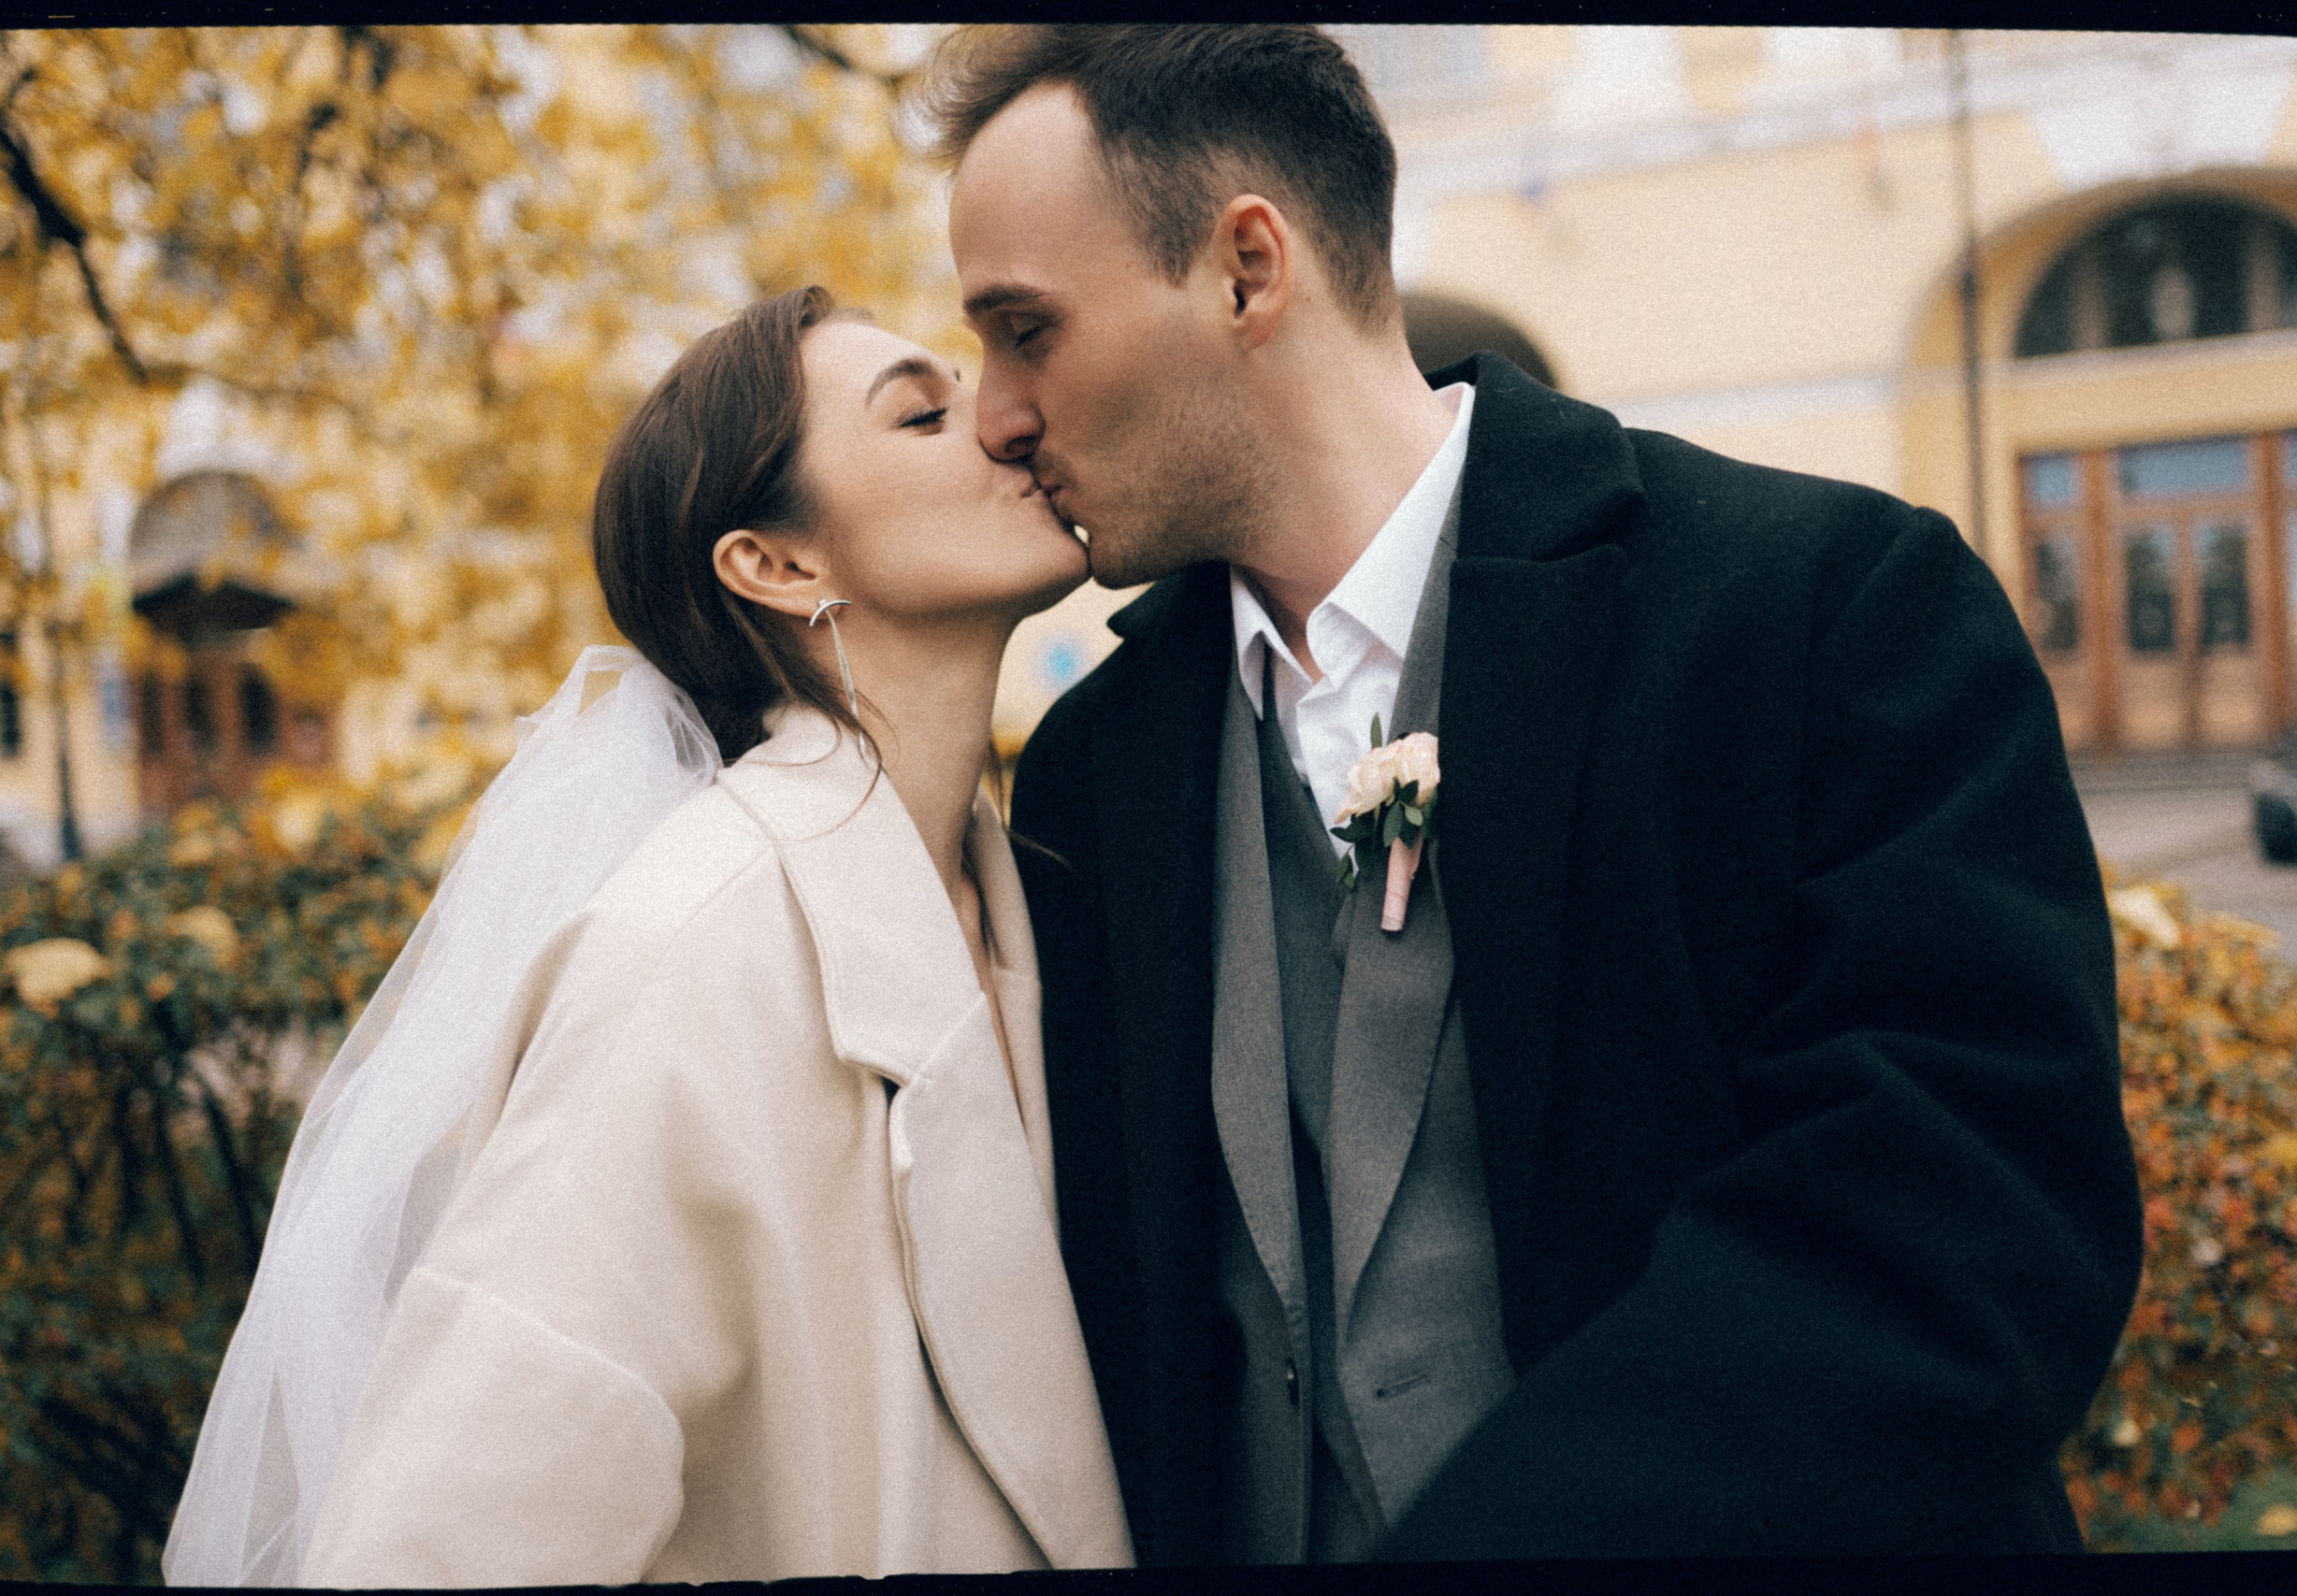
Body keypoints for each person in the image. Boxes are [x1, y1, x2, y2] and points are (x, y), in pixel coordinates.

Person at [927, 23, 2146, 1563]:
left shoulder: (1820, 608)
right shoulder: (1096, 767)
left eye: (1024, 329)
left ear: (1247, 268)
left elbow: (1959, 1226)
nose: (995, 415)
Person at [160, 287, 1134, 1586]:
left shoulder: (1029, 893)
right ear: (779, 565)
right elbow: (437, 1543)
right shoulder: (688, 955)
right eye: (923, 413)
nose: (1005, 426)